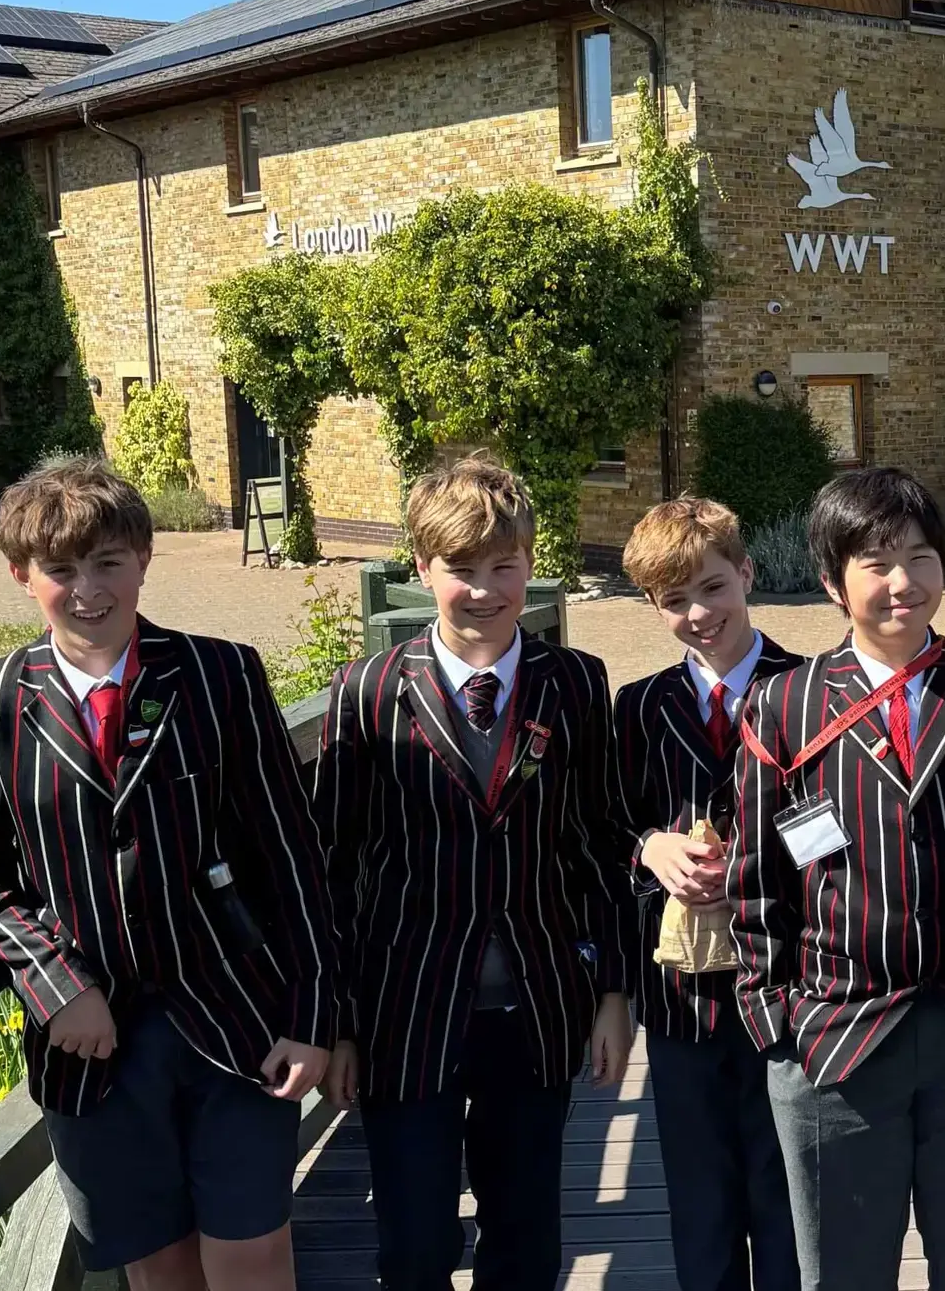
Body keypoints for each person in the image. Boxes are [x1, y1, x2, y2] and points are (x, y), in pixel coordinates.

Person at [0, 458, 336, 1289]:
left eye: (108, 562)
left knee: (253, 1251)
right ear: (21, 575)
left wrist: (312, 1017)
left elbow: (291, 854)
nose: (88, 590)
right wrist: (56, 984)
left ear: (144, 558)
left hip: (238, 1020)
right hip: (94, 1046)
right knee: (158, 1265)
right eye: (60, 569)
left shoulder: (220, 675)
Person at [726, 466, 945, 1291]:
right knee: (843, 1274)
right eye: (876, 563)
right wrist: (776, 1024)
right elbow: (755, 878)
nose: (902, 582)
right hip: (835, 1035)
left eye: (920, 557)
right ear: (831, 581)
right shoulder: (785, 704)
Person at [314, 455, 635, 1291]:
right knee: (414, 1244)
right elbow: (333, 870)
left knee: (524, 1242)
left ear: (530, 563)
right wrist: (336, 1023)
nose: (485, 590)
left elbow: (601, 842)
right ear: (423, 568)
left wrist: (614, 992)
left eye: (504, 566)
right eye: (461, 569)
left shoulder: (574, 684)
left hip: (535, 1007)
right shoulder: (368, 691)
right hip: (404, 1010)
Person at [614, 497, 802, 1291]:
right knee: (699, 1198)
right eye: (674, 601)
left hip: (787, 983)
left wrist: (754, 863)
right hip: (680, 995)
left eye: (713, 588)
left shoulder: (810, 689)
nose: (698, 614)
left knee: (786, 1190)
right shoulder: (638, 706)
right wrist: (648, 847)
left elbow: (842, 828)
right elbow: (605, 824)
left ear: (747, 574)